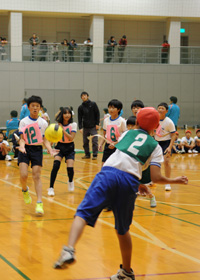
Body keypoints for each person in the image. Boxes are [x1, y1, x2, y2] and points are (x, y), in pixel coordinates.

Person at [54, 107, 188, 279]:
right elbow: (154, 177)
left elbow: (123, 158)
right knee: (123, 230)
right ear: (155, 127)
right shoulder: (155, 146)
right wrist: (173, 180)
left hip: (108, 174)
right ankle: (126, 271)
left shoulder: (126, 134)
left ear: (137, 122)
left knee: (82, 213)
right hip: (129, 182)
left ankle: (69, 249)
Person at [18, 95, 59, 216]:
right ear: (28, 107)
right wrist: (21, 145)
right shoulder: (24, 121)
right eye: (33, 106)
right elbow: (21, 139)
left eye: (37, 106)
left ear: (40, 108)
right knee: (23, 175)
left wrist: (50, 149)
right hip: (25, 149)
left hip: (36, 149)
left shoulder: (43, 123)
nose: (35, 108)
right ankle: (25, 189)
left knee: (36, 175)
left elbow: (45, 140)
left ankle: (39, 202)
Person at [126, 115, 157, 208]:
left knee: (142, 186)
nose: (130, 128)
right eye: (129, 125)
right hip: (129, 165)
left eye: (132, 125)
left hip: (141, 165)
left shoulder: (144, 138)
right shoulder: (127, 135)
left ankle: (151, 197)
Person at [48, 107, 77, 196]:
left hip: (70, 147)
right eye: (65, 113)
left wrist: (63, 130)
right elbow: (53, 137)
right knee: (56, 165)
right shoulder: (58, 125)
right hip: (60, 146)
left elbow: (71, 138)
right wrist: (50, 147)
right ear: (62, 115)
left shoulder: (73, 124)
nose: (67, 115)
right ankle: (51, 188)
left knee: (70, 169)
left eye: (69, 113)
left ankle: (70, 181)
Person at [154, 102, 176, 191]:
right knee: (151, 162)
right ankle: (151, 180)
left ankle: (167, 182)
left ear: (166, 111)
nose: (160, 110)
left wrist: (170, 147)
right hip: (155, 142)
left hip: (166, 143)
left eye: (162, 108)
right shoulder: (154, 119)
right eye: (159, 108)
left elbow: (173, 135)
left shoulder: (169, 122)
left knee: (166, 162)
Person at [99, 99, 126, 167]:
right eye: (109, 107)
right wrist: (101, 144)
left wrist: (115, 143)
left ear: (118, 109)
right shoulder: (106, 120)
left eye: (113, 108)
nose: (111, 109)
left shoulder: (122, 121)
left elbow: (125, 136)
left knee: (116, 167)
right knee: (104, 166)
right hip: (108, 146)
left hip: (118, 147)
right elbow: (104, 134)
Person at [78, 92, 100, 160]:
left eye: (85, 95)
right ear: (81, 98)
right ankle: (87, 154)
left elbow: (97, 114)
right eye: (82, 96)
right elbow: (79, 118)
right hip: (85, 127)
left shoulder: (93, 104)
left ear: (88, 96)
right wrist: (80, 127)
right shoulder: (80, 107)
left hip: (93, 126)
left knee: (94, 141)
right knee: (85, 142)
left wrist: (97, 124)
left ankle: (95, 155)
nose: (83, 97)